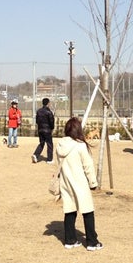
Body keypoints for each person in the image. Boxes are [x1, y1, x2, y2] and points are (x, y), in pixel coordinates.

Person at [57, 117, 102, 251]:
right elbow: (88, 166)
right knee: (87, 211)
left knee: (69, 210)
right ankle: (92, 242)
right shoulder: (80, 146)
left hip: (65, 182)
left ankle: (70, 240)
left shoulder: (60, 145)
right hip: (80, 182)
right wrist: (93, 182)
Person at [32, 98, 55, 164]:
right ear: (48, 103)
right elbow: (51, 121)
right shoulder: (49, 112)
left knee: (41, 143)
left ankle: (35, 155)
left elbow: (37, 121)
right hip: (47, 130)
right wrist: (52, 128)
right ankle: (49, 159)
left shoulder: (38, 111)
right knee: (49, 144)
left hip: (40, 129)